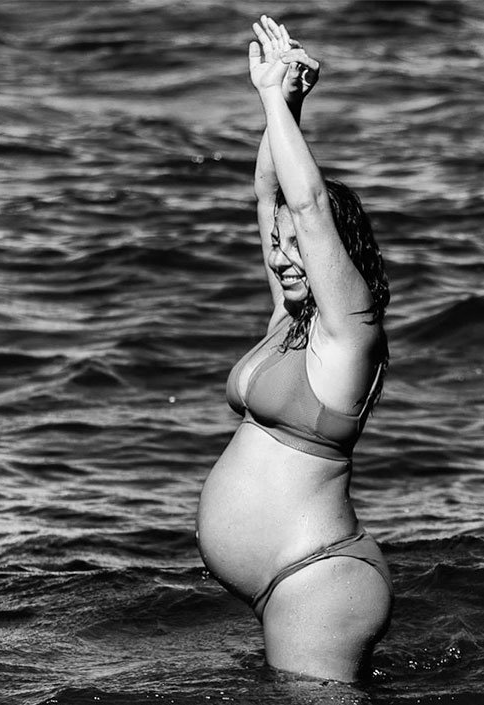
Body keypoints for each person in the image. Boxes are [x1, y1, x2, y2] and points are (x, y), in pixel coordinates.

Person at [196, 15, 393, 683]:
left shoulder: (350, 330)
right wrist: (285, 101)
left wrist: (269, 101)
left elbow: (307, 207)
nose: (280, 257)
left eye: (295, 248)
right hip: (290, 581)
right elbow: (273, 194)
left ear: (332, 253)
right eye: (275, 245)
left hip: (319, 579)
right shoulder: (290, 318)